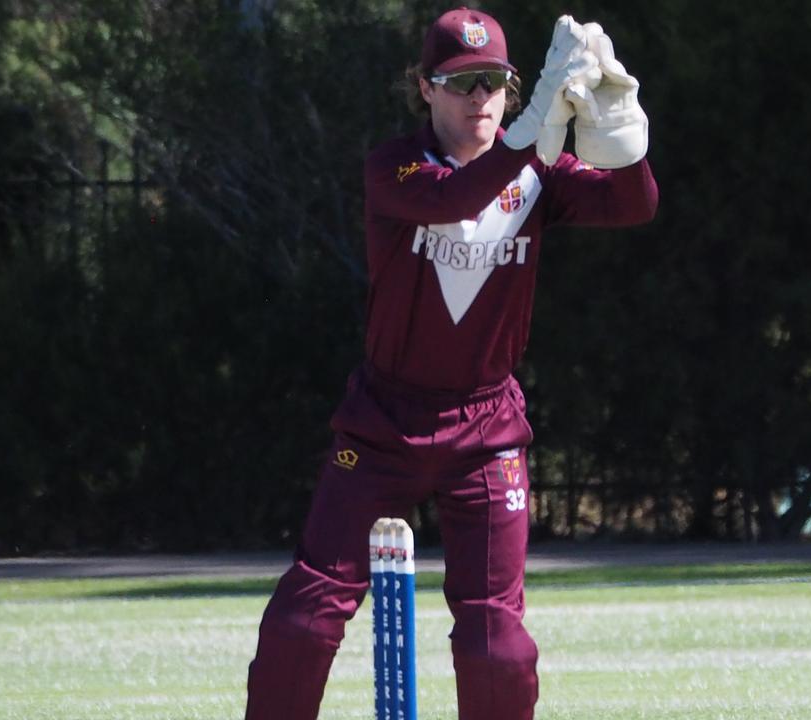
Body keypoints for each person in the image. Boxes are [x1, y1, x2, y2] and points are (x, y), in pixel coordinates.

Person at [245, 8, 658, 720]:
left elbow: (634, 206)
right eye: (462, 83)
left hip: (485, 430)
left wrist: (622, 133)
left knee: (496, 641)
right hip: (382, 424)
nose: (481, 99)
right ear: (424, 89)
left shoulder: (536, 169)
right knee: (303, 616)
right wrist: (529, 136)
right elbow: (456, 200)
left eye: (495, 82)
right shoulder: (396, 168)